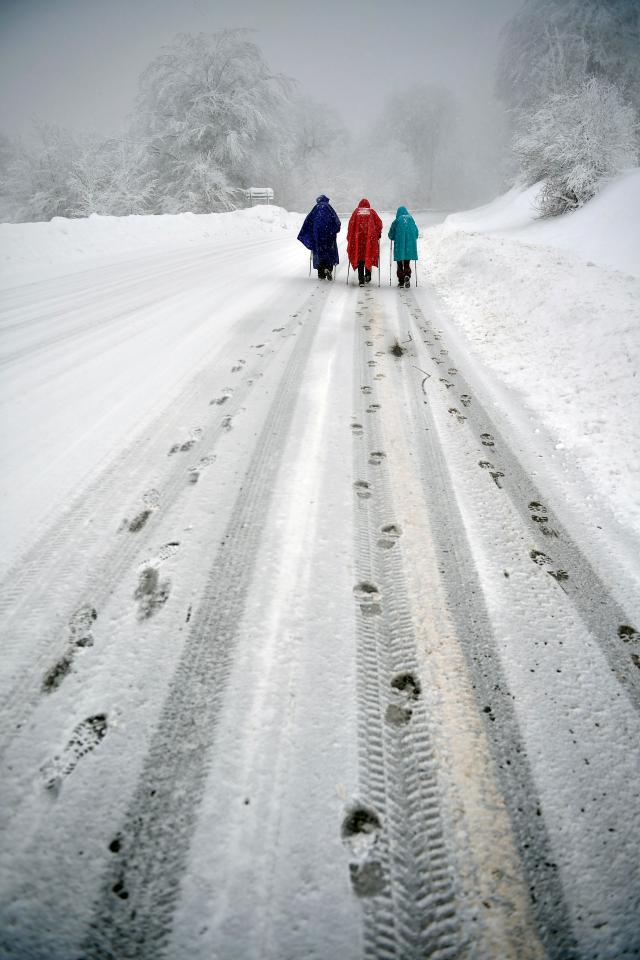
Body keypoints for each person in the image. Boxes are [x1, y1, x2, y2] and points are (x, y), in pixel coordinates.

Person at [297, 195, 341, 280]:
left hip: (317, 235)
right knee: (329, 252)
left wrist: (308, 233)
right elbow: (336, 222)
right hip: (329, 235)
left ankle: (321, 272)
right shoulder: (329, 208)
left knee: (319, 252)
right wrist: (334, 231)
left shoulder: (316, 208)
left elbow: (308, 221)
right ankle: (328, 268)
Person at [347, 198, 382, 287]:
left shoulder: (356, 212)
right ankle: (368, 276)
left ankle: (361, 279)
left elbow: (351, 225)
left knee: (360, 259)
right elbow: (379, 224)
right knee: (368, 256)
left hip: (358, 239)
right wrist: (377, 235)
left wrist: (350, 236)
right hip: (369, 239)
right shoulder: (371, 212)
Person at [388, 205, 419, 288]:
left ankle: (401, 281)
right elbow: (416, 232)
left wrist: (392, 237)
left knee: (399, 262)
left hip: (399, 243)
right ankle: (407, 275)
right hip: (409, 244)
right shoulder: (411, 219)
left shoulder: (397, 220)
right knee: (406, 262)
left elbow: (391, 233)